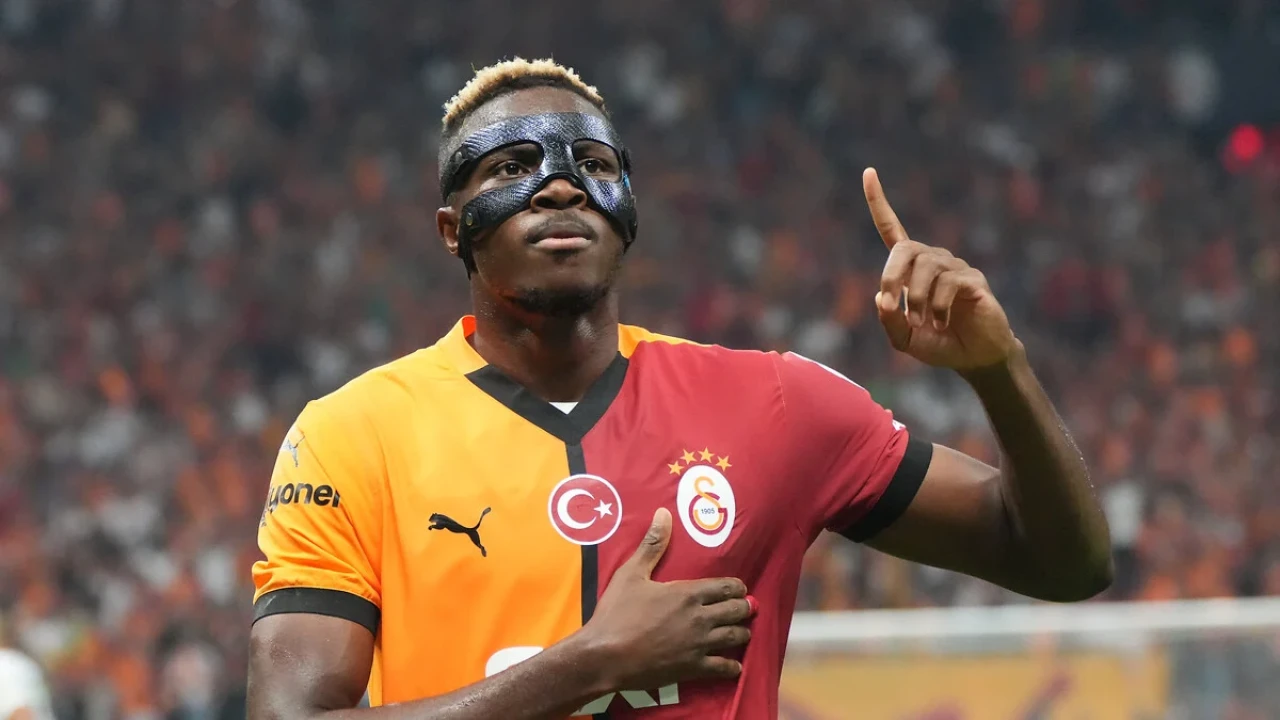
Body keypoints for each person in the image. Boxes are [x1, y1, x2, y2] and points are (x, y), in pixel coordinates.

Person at [246, 58, 1112, 719]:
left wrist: (999, 369)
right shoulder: (352, 435)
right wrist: (590, 663)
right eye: (510, 168)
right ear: (451, 229)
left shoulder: (775, 404)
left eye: (591, 163)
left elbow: (1064, 562)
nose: (559, 185)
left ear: (627, 206)